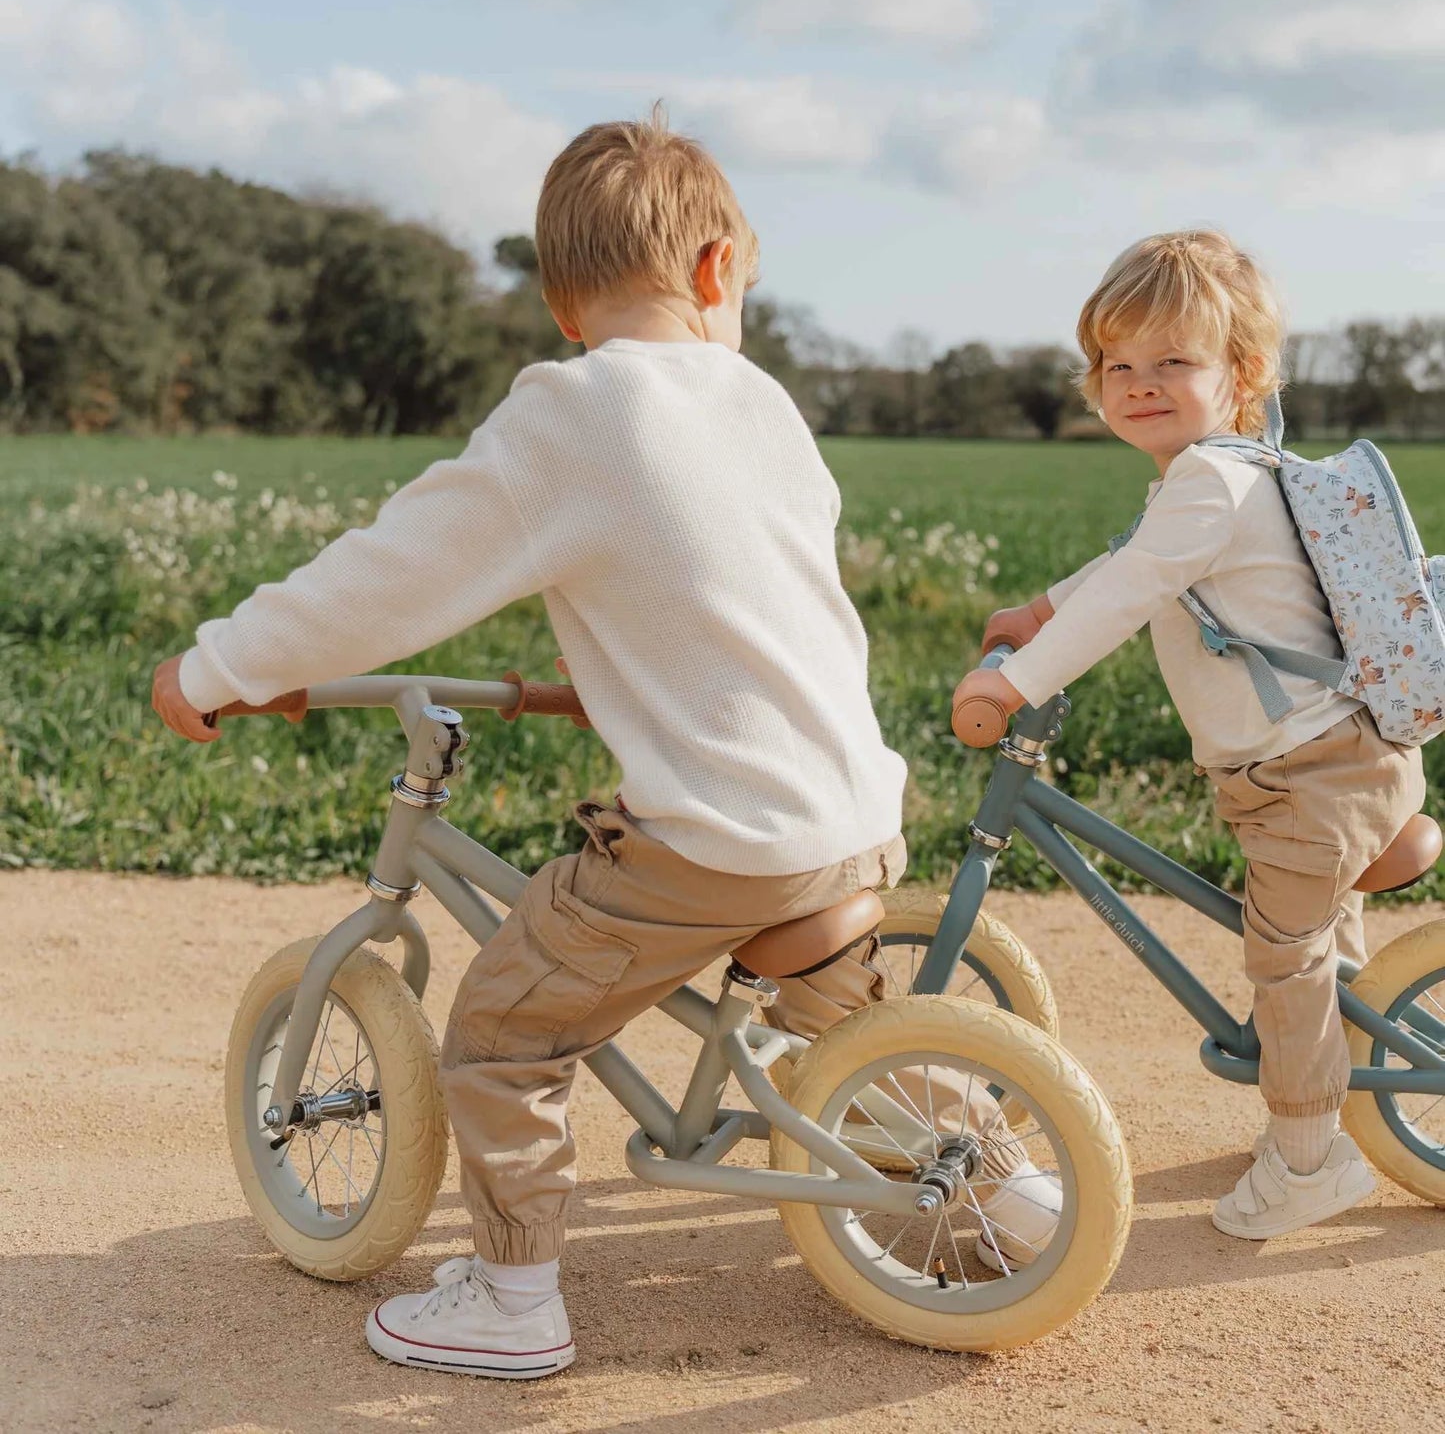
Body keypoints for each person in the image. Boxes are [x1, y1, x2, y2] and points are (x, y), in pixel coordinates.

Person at [152, 109, 1042, 1379]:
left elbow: (389, 573)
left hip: (721, 839)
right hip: (848, 818)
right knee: (840, 1031)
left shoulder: (569, 414)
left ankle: (511, 1297)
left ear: (559, 305)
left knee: (504, 1030)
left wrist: (222, 665)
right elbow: (739, 598)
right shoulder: (761, 405)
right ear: (717, 270)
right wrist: (616, 670)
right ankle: (1020, 1208)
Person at [956, 229, 1426, 1239]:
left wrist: (1016, 681)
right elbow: (1130, 561)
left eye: (1171, 359)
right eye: (1115, 362)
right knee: (1317, 941)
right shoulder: (1214, 473)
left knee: (1283, 957)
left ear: (1240, 374)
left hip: (1314, 774)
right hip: (1313, 763)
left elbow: (1130, 588)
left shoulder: (1210, 480)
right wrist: (1037, 611)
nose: (1137, 383)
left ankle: (1308, 1156)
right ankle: (1326, 1084)